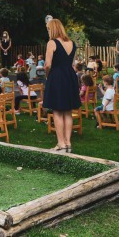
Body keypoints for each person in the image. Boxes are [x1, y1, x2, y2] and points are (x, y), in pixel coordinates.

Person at [43, 18, 81, 152]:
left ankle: (61, 144)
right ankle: (68, 143)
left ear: (52, 29)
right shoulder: (71, 43)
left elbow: (47, 64)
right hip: (70, 76)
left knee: (57, 111)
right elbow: (71, 62)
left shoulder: (52, 43)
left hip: (57, 76)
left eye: (48, 29)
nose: (48, 31)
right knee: (68, 111)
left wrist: (47, 74)